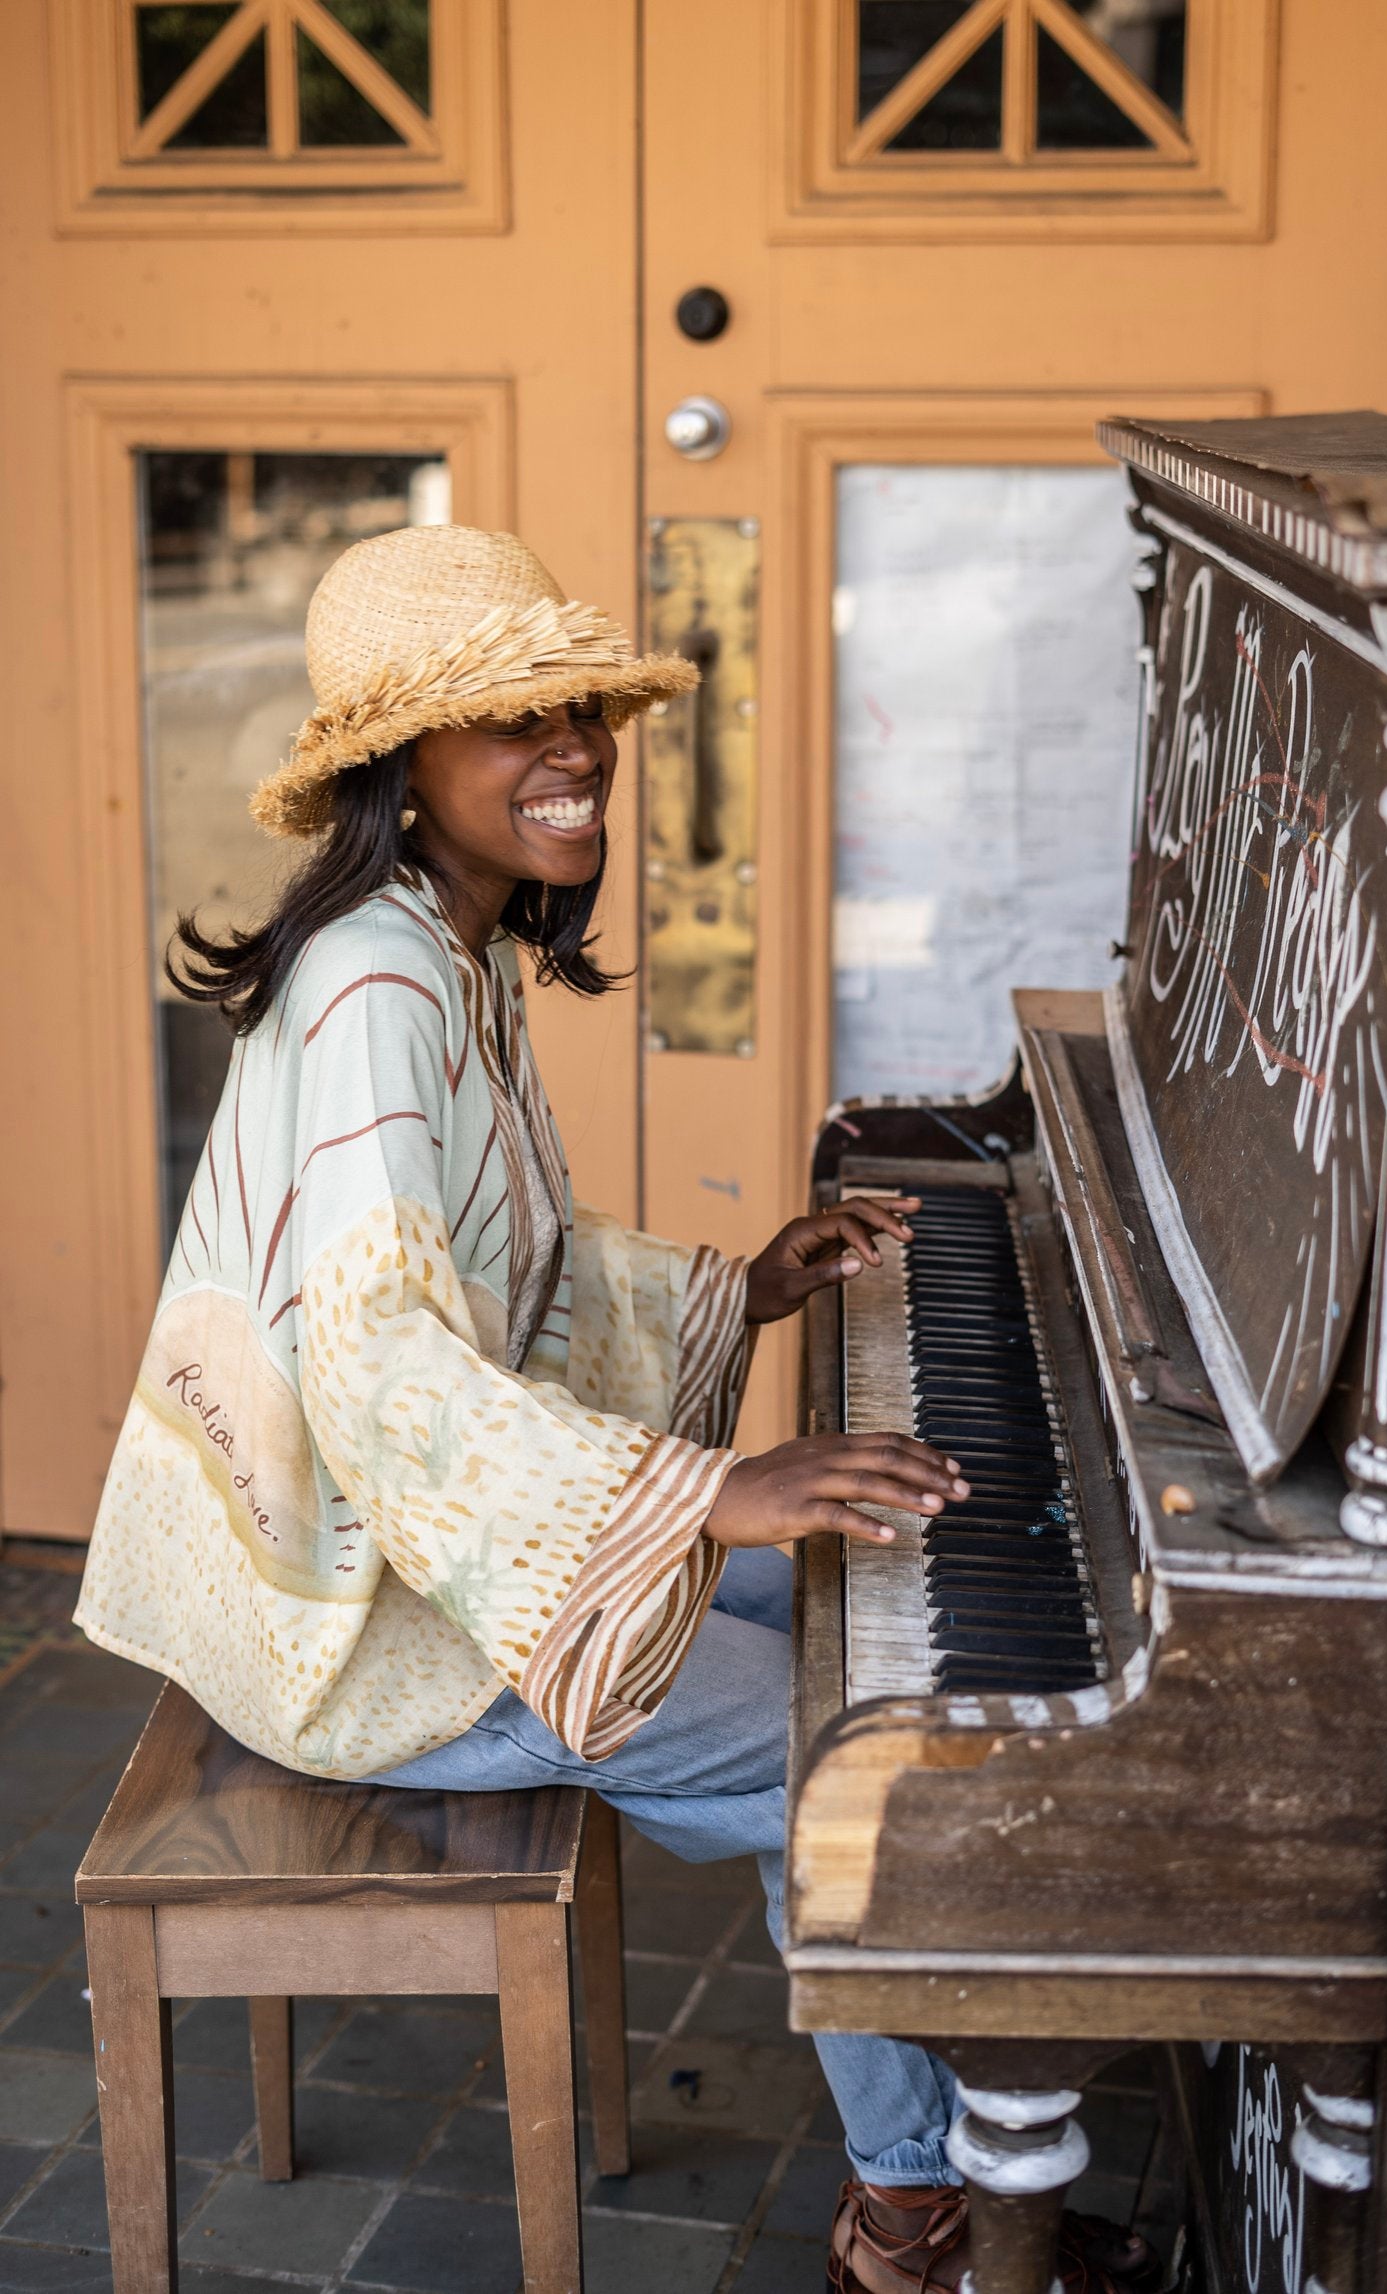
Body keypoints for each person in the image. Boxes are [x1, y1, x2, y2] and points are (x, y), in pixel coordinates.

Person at [76, 526, 1156, 2294]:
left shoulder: (446, 947)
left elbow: (525, 1266)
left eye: (577, 706)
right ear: (393, 769)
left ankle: (936, 2165)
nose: (572, 746)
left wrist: (744, 1291)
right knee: (855, 1756)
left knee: (855, 1631)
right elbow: (383, 1364)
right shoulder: (376, 993)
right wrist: (711, 1493)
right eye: (506, 718)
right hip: (357, 1626)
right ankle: (915, 2221)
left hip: (419, 1553)